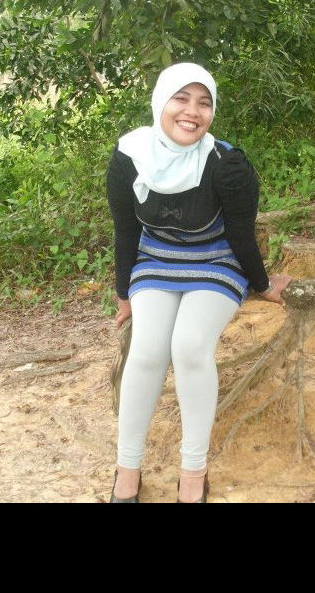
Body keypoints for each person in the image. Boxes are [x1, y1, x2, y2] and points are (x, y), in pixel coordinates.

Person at [105, 62, 292, 503]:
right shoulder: (129, 155)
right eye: (181, 98)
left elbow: (241, 234)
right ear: (160, 102)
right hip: (156, 259)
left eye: (204, 103)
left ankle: (193, 472)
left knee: (189, 346)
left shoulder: (228, 165)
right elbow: (127, 231)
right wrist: (123, 294)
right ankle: (127, 470)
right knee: (148, 348)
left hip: (217, 259)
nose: (193, 111)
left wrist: (263, 285)